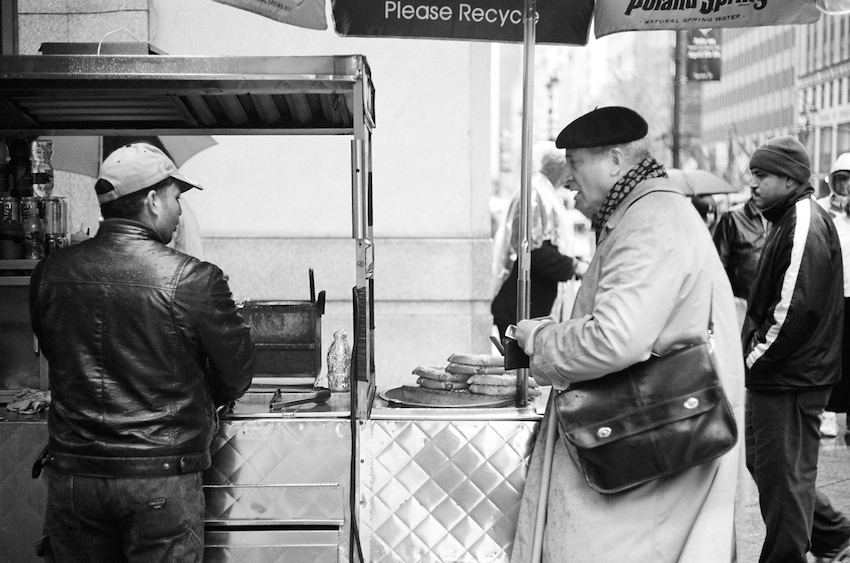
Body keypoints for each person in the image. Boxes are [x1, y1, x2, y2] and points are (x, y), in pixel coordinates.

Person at [509, 107, 744, 562]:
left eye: (576, 163)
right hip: (656, 433)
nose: (567, 179)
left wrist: (542, 340)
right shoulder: (647, 211)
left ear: (616, 160)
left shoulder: (648, 221)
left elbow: (615, 338)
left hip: (650, 443)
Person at [29, 142, 255, 562]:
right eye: (176, 197)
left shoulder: (49, 273)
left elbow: (55, 352)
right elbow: (237, 373)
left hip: (75, 477)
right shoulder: (193, 278)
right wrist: (204, 396)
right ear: (152, 200)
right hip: (160, 480)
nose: (180, 210)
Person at [742, 136, 850, 563]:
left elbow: (793, 308)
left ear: (789, 179)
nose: (753, 184)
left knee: (784, 477)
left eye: (761, 175)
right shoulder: (790, 217)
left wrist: (753, 357)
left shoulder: (802, 220)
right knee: (771, 468)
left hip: (790, 376)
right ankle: (835, 536)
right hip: (783, 373)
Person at [491, 140, 588, 339]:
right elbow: (532, 252)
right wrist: (574, 266)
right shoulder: (535, 195)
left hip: (529, 304)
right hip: (520, 306)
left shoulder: (542, 192)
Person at [816, 152, 850, 438]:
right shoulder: (821, 209)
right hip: (830, 294)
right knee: (829, 355)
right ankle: (826, 413)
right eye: (841, 180)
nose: (845, 186)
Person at [712, 196, 770, 327]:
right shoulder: (732, 218)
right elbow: (717, 264)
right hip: (739, 303)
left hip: (768, 305)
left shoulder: (780, 218)